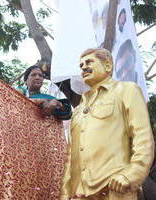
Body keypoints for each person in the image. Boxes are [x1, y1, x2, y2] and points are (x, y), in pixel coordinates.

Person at [60, 48, 154, 200]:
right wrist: (65, 193)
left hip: (115, 188)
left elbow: (142, 138)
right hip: (79, 194)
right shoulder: (77, 110)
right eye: (81, 65)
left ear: (108, 66)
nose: (84, 67)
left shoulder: (126, 90)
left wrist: (132, 174)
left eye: (89, 62)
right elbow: (70, 156)